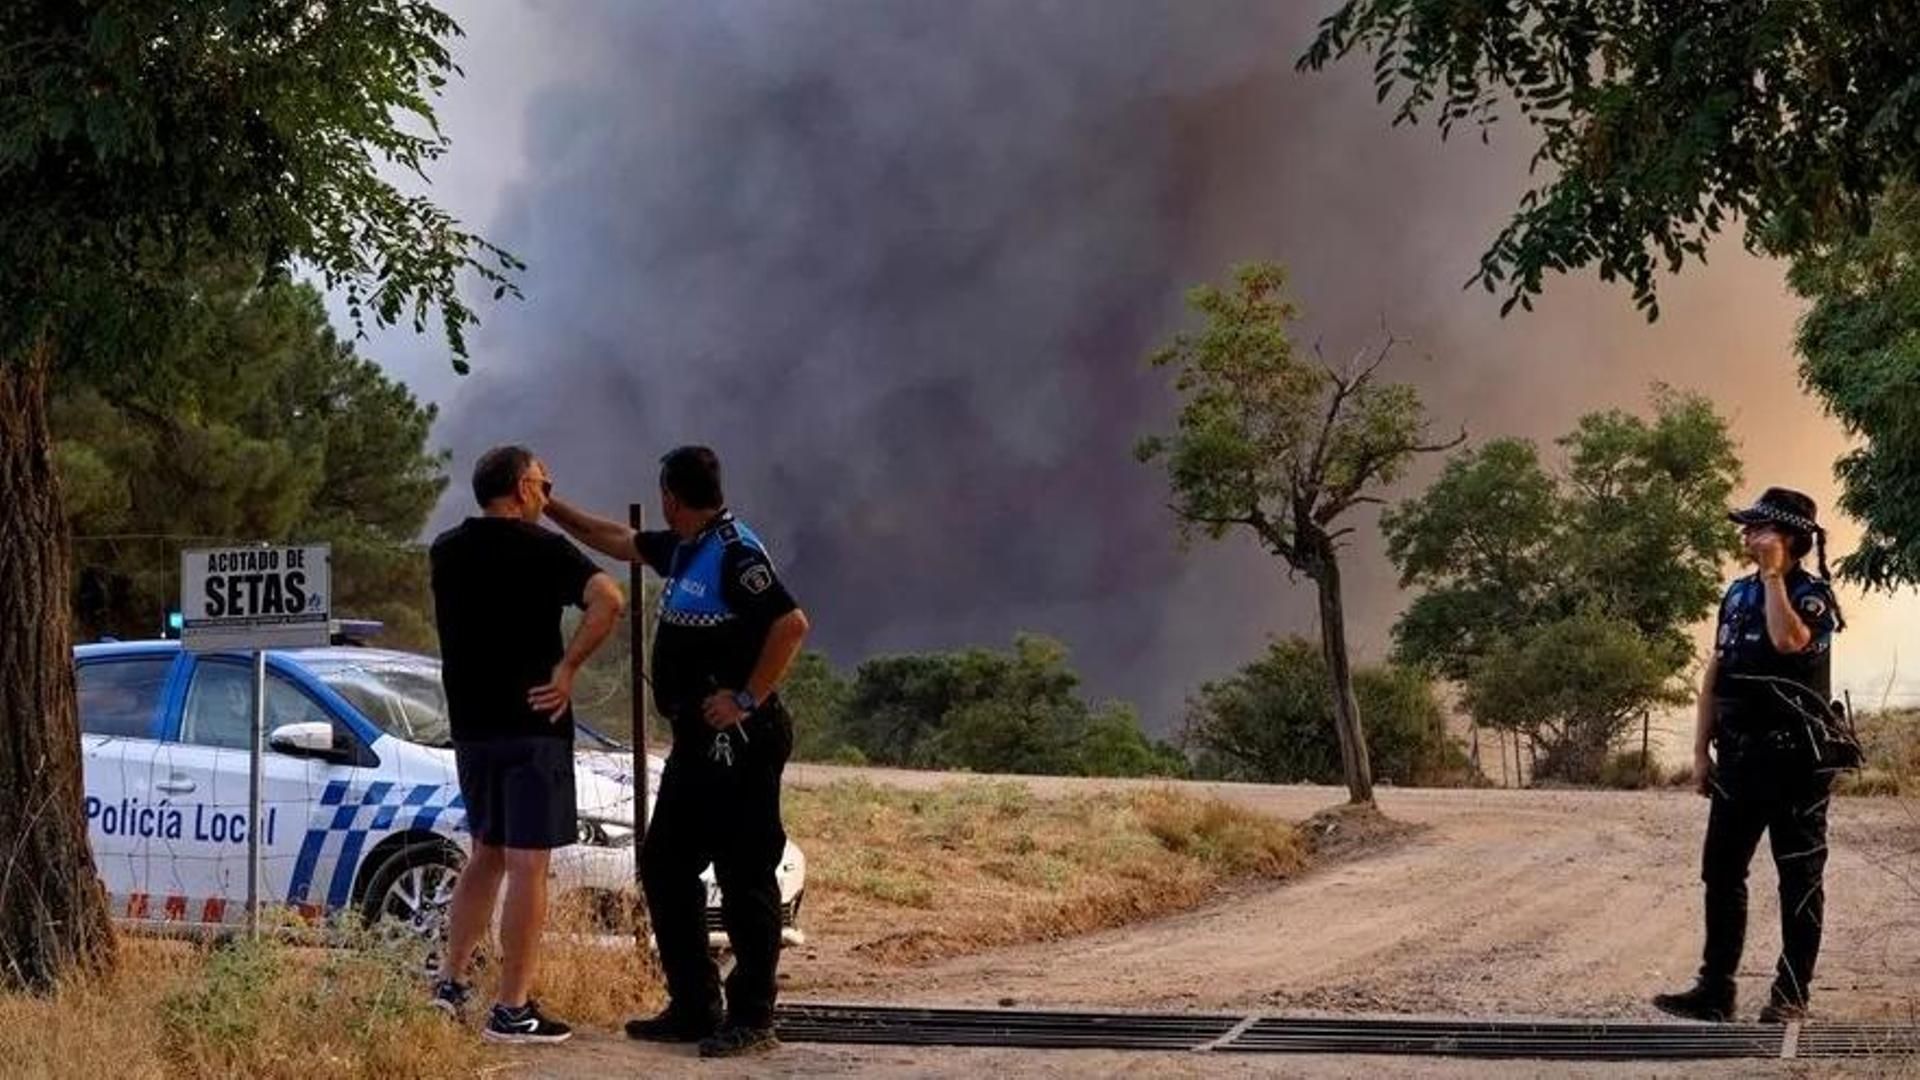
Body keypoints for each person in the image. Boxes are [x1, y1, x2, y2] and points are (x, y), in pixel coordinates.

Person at [546, 445, 810, 1059]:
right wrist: (551, 505)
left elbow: (791, 624)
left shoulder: (736, 551)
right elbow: (618, 538)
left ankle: (752, 1015)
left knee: (745, 875)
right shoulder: (687, 546)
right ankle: (695, 1004)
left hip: (741, 742)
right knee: (665, 864)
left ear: (671, 494)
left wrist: (747, 697)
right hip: (697, 745)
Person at [427, 446, 624, 1044]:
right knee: (527, 863)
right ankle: (512, 1009)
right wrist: (567, 669)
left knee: (484, 851)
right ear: (520, 487)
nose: (548, 492)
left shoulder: (446, 550)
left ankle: (450, 985)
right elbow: (609, 599)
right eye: (543, 483)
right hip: (532, 727)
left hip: (472, 727)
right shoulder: (546, 551)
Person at [1654, 487, 1845, 1025]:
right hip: (1738, 759)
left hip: (1797, 765)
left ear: (1786, 538)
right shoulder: (1735, 595)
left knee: (1798, 880)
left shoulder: (1811, 595)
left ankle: (1789, 996)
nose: (1745, 536)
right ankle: (1715, 990)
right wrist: (1699, 752)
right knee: (1721, 871)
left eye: (1758, 529)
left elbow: (1789, 642)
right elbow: (1715, 673)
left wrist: (1773, 577)